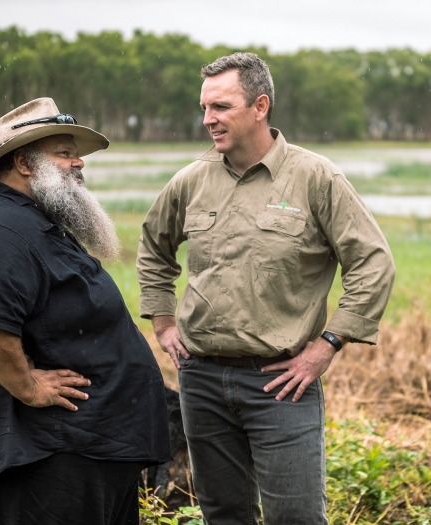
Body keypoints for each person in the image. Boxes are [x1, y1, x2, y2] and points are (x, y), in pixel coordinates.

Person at [136, 53, 396, 524]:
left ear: (260, 106)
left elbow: (372, 262)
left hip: (281, 384)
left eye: (220, 107)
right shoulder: (191, 180)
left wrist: (328, 344)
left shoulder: (316, 178)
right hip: (201, 380)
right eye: (205, 107)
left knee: (295, 517)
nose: (207, 120)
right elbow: (154, 248)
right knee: (224, 514)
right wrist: (162, 319)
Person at [0, 98, 171, 525]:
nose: (79, 162)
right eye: (64, 153)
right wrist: (28, 387)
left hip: (82, 450)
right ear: (24, 162)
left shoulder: (33, 224)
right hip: (43, 457)